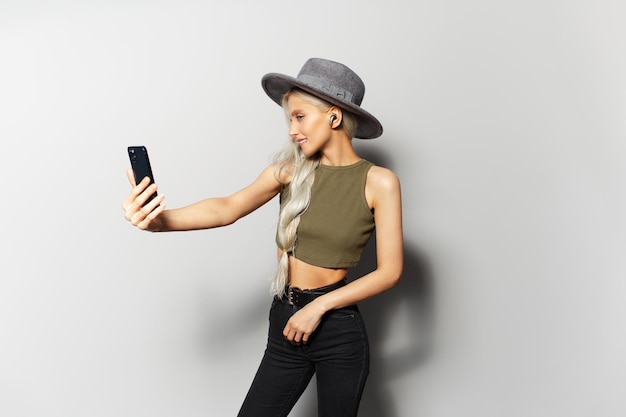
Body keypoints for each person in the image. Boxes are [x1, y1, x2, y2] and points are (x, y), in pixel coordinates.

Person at [122, 58, 403, 417]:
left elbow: (390, 271)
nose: (291, 130)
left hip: (337, 329)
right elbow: (227, 207)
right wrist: (159, 221)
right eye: (289, 119)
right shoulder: (288, 171)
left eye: (299, 116)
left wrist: (317, 308)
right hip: (284, 318)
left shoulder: (379, 181)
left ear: (333, 117)